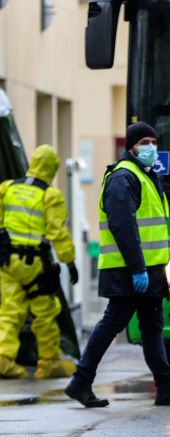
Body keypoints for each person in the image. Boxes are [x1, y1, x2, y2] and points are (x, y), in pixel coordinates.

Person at [64, 122, 170, 408]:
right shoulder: (123, 177)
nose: (151, 147)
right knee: (113, 322)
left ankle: (166, 387)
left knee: (152, 328)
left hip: (148, 269)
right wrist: (137, 268)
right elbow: (122, 226)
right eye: (144, 142)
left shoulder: (146, 175)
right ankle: (80, 381)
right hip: (129, 269)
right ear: (131, 146)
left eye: (153, 141)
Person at [0, 144, 79, 379]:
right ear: (52, 168)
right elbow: (57, 233)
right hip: (34, 264)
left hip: (6, 261)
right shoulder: (49, 194)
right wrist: (70, 261)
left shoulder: (7, 188)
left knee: (10, 309)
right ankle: (49, 363)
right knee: (45, 312)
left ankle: (4, 359)